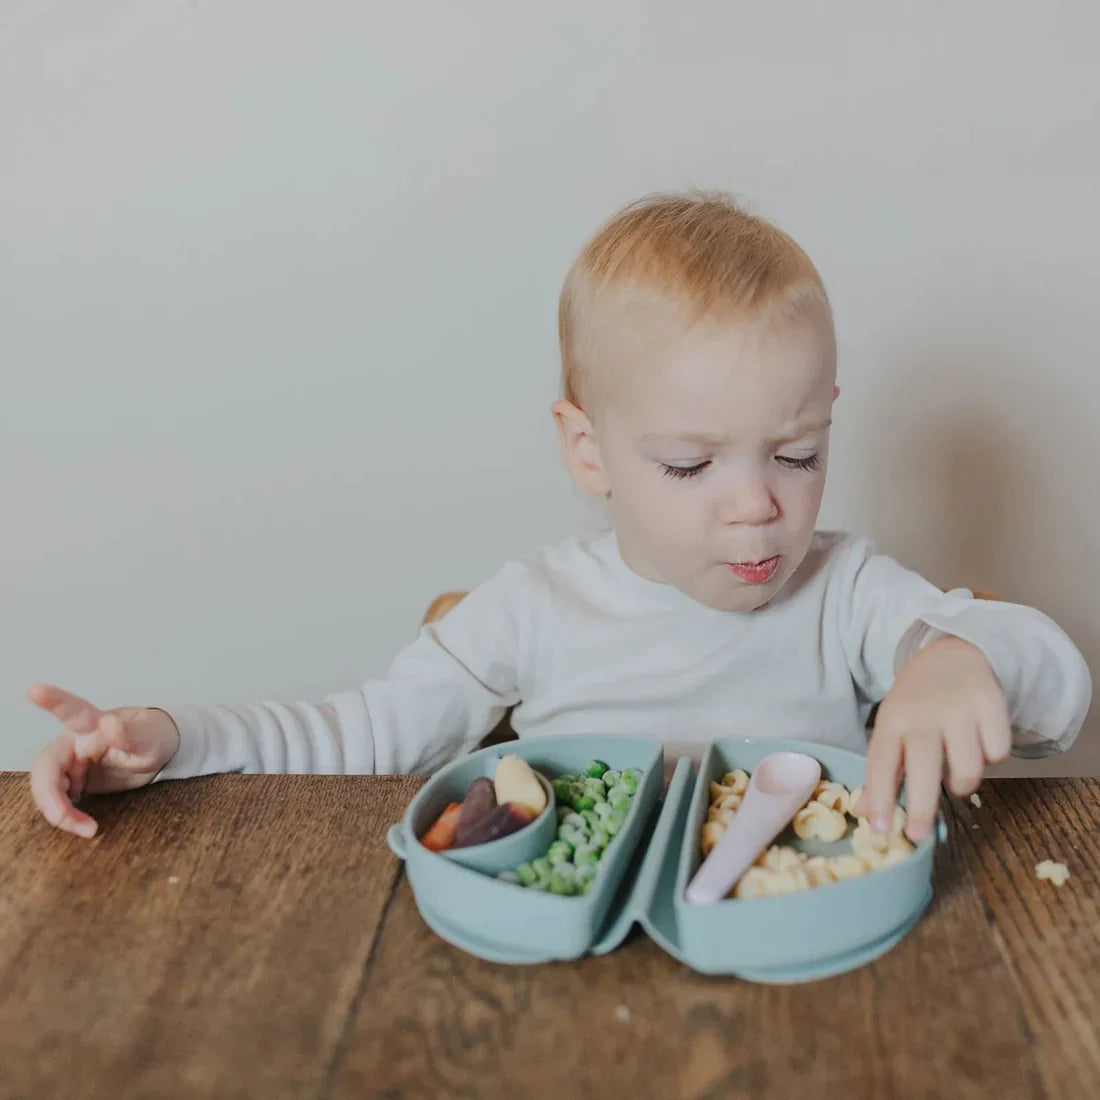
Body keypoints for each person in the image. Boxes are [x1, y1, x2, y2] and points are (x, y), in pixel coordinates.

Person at [27, 191, 1092, 848]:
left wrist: (959, 653)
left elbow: (1059, 694)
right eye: (687, 462)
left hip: (808, 964)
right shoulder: (531, 609)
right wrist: (170, 739)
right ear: (587, 452)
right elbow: (354, 733)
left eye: (798, 452)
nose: (759, 500)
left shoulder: (848, 592)